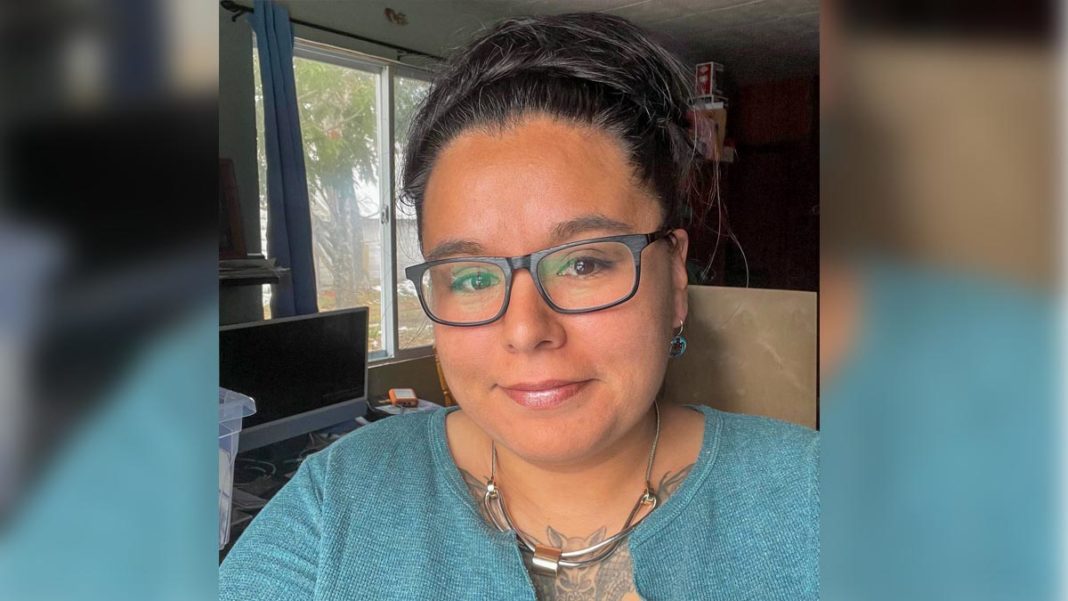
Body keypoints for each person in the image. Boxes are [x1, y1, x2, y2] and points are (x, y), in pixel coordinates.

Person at [220, 13, 817, 600]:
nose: (526, 330)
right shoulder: (337, 501)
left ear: (677, 279)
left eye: (583, 263)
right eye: (473, 276)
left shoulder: (823, 498)